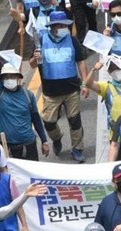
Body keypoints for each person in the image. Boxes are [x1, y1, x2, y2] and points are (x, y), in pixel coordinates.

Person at [30, 9, 89, 163]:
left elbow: (81, 62)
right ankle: (57, 138)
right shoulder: (41, 41)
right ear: (52, 27)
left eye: (65, 25)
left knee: (74, 120)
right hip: (51, 91)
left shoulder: (73, 40)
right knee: (48, 122)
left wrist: (85, 83)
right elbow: (31, 64)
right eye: (60, 25)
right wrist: (35, 58)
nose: (63, 28)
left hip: (71, 89)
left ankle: (77, 149)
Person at [0, 63, 49, 160]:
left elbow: (36, 119)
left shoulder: (28, 95)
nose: (9, 79)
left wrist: (44, 141)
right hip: (7, 146)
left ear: (17, 77)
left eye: (11, 76)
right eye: (6, 77)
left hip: (28, 144)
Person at [84, 54, 121, 142]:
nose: (115, 72)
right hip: (115, 133)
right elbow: (88, 84)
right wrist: (93, 70)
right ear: (109, 73)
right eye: (112, 70)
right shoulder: (106, 86)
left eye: (118, 68)